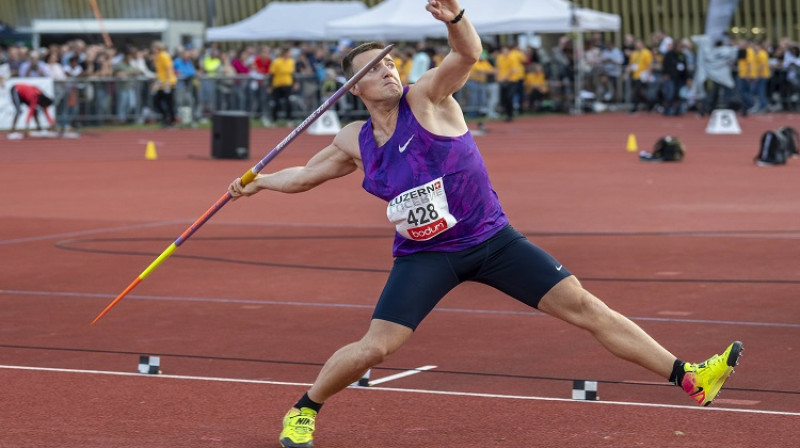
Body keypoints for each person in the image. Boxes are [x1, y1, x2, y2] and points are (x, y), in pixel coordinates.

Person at [228, 2, 743, 447]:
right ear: (354, 87)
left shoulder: (426, 98)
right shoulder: (353, 139)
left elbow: (468, 54)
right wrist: (260, 182)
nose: (390, 71)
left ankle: (689, 377)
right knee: (375, 348)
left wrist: (455, 17)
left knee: (586, 306)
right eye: (375, 68)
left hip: (493, 240)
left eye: (391, 62)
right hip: (426, 256)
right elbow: (305, 175)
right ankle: (304, 409)